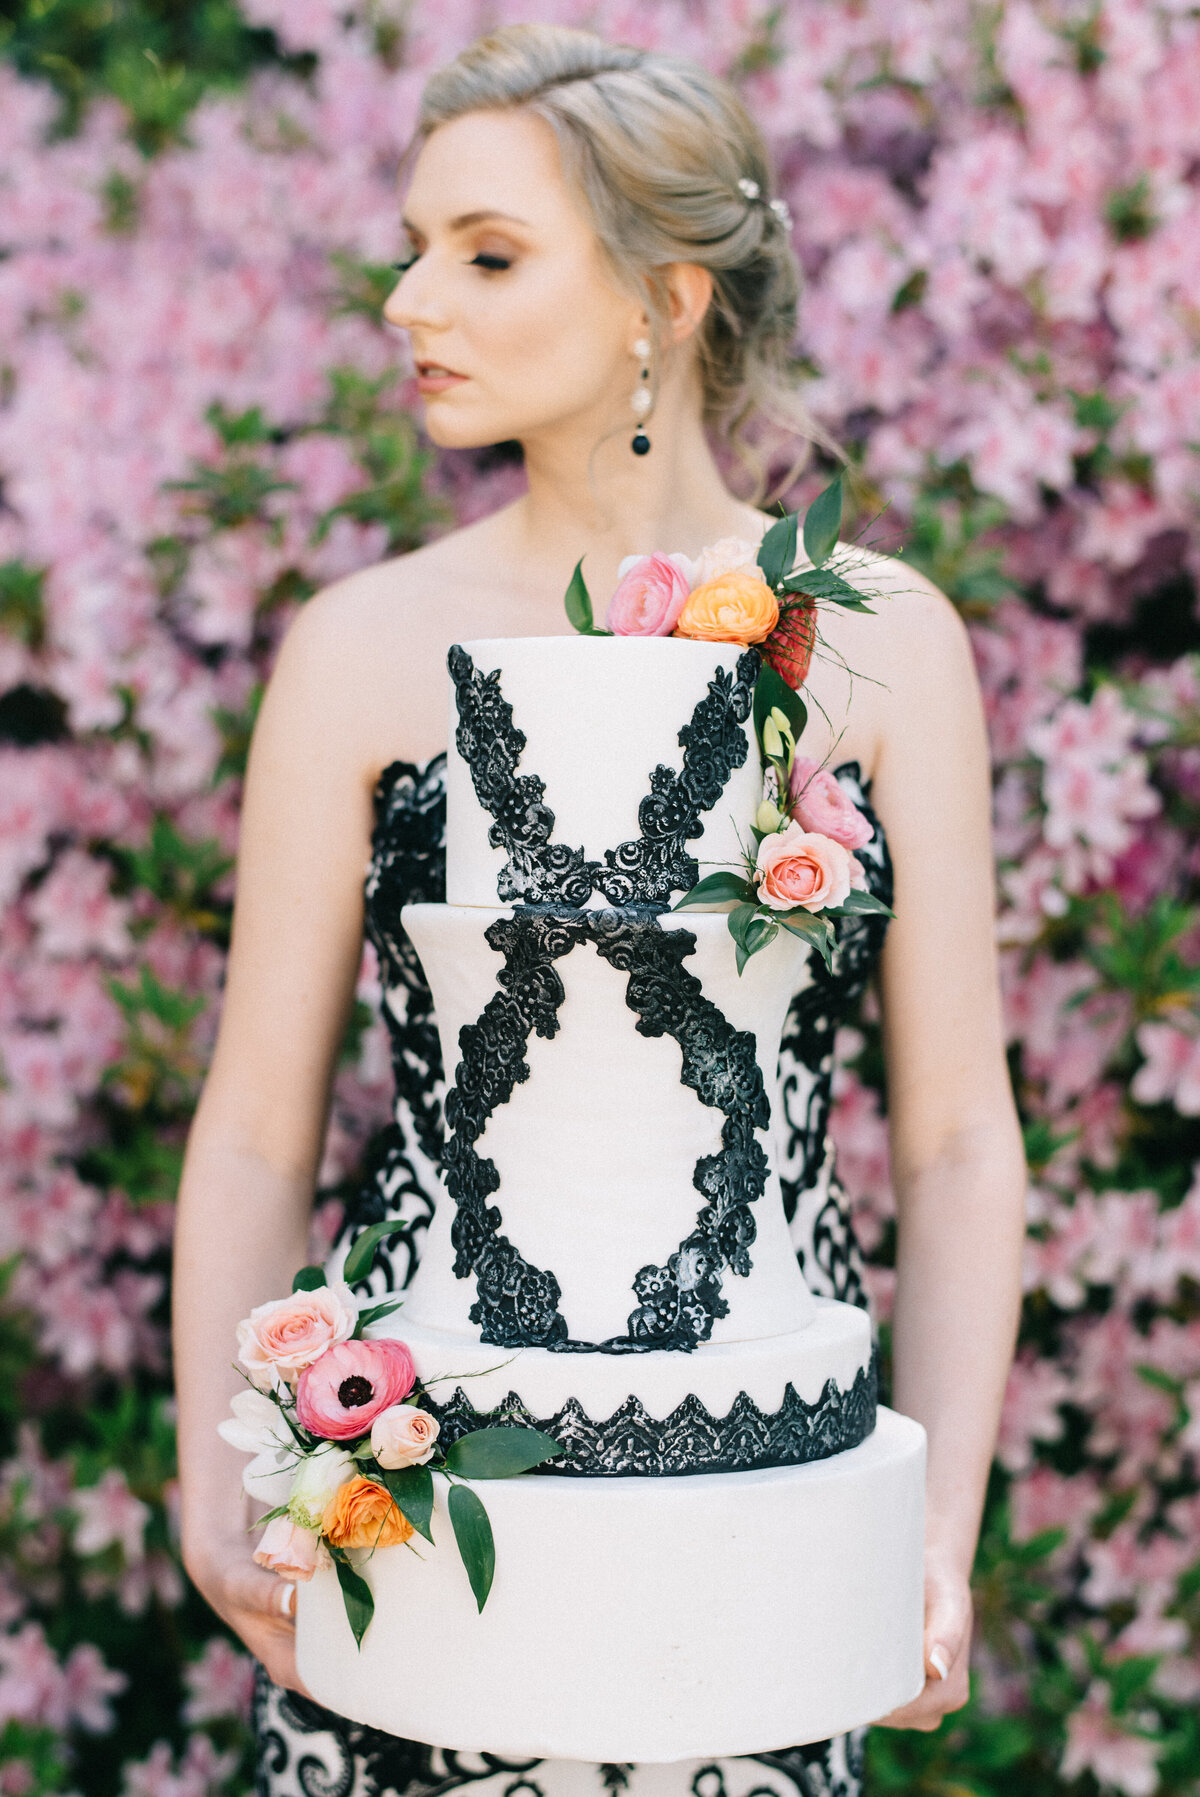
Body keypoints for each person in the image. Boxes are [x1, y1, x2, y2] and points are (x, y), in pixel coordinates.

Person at [171, 22, 1027, 1797]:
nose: (416, 297)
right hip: (408, 1498)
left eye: (486, 255)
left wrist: (929, 1529)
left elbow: (954, 1140)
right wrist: (206, 1463)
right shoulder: (357, 651)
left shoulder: (879, 643)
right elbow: (257, 1126)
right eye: (412, 247)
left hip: (762, 1519)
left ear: (669, 296)